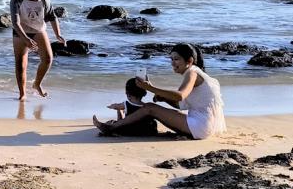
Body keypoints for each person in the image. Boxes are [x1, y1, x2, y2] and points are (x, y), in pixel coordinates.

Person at [93, 43, 226, 139]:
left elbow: (180, 96)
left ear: (189, 61)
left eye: (177, 59)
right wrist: (164, 98)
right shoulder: (199, 74)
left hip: (199, 127)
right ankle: (122, 125)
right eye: (171, 59)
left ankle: (112, 127)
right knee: (162, 109)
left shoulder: (192, 73)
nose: (173, 63)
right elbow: (182, 105)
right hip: (204, 127)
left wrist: (149, 88)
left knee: (150, 108)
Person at [10, 0, 65, 99]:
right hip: (20, 31)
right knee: (20, 64)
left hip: (38, 30)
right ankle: (22, 94)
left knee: (47, 59)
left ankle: (37, 84)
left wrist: (58, 34)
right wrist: (26, 40)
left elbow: (52, 16)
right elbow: (15, 23)